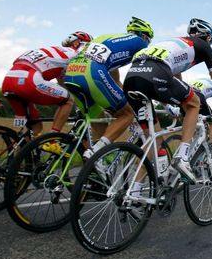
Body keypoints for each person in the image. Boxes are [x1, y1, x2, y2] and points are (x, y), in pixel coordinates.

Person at [123, 18, 212, 182]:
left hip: (132, 76)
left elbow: (177, 80)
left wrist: (173, 106)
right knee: (194, 104)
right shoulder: (203, 46)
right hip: (157, 72)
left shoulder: (175, 43)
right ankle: (182, 157)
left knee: (154, 144)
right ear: (208, 38)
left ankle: (133, 193)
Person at [63, 17, 152, 160]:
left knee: (101, 122)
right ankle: (95, 153)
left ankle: (98, 167)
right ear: (144, 35)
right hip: (92, 73)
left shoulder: (108, 38)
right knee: (127, 114)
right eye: (149, 40)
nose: (147, 43)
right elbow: (144, 73)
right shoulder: (140, 43)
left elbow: (116, 80)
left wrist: (125, 98)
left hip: (71, 73)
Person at [1, 32, 92, 137]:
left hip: (8, 81)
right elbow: (68, 84)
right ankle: (52, 139)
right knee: (68, 101)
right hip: (28, 80)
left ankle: (19, 149)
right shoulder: (76, 55)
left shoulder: (52, 50)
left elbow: (61, 82)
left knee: (35, 128)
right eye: (87, 46)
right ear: (77, 43)